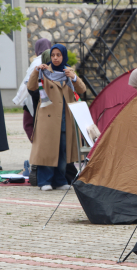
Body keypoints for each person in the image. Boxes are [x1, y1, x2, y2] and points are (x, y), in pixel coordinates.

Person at [27, 44, 86, 191]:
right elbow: (31, 87)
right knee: (47, 150)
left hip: (66, 117)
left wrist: (74, 78)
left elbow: (82, 90)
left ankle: (60, 180)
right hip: (48, 118)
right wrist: (36, 71)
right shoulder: (45, 71)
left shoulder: (68, 72)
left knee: (63, 150)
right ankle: (44, 181)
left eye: (58, 55)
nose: (55, 58)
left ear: (63, 56)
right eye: (53, 55)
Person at [13, 38, 52, 141]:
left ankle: (39, 151)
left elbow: (27, 83)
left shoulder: (37, 62)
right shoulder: (51, 60)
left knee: (29, 125)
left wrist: (17, 99)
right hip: (47, 99)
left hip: (34, 97)